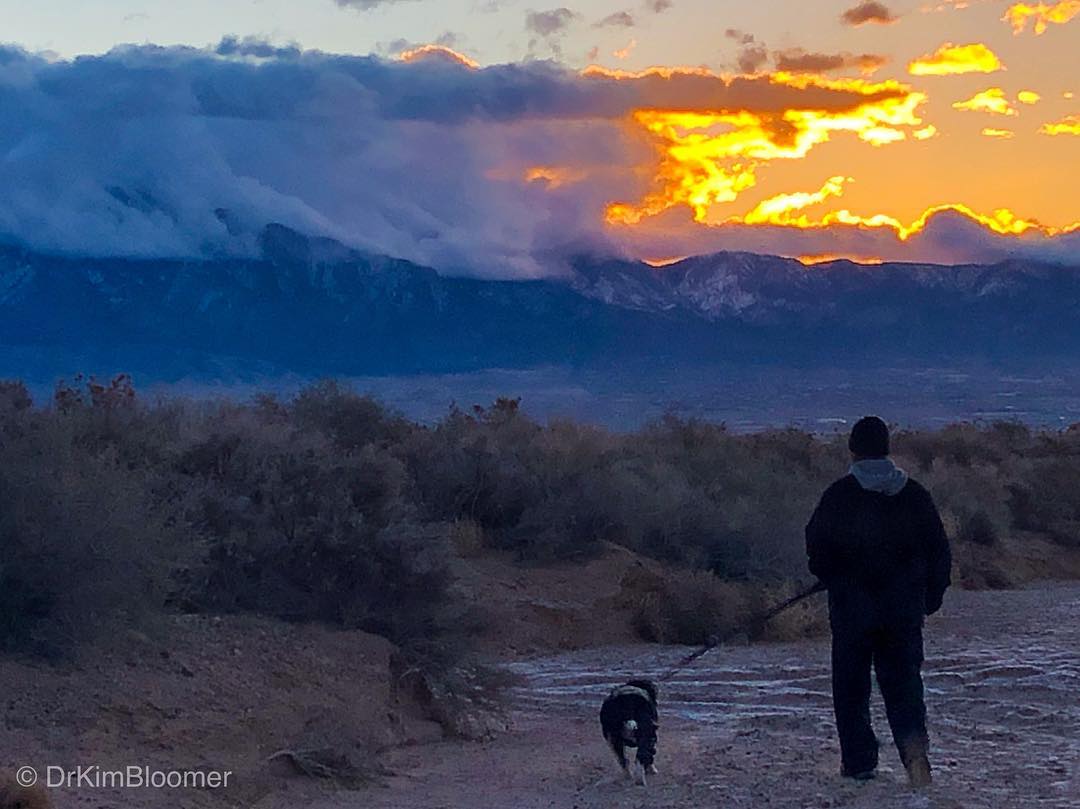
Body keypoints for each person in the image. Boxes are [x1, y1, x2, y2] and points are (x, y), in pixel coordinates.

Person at [805, 416, 951, 787]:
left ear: (853, 450)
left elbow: (816, 544)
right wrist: (930, 597)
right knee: (904, 685)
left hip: (852, 611)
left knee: (851, 688)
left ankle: (858, 762)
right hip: (903, 611)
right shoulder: (915, 494)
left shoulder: (839, 495)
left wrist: (831, 577)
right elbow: (939, 549)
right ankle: (915, 756)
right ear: (888, 448)